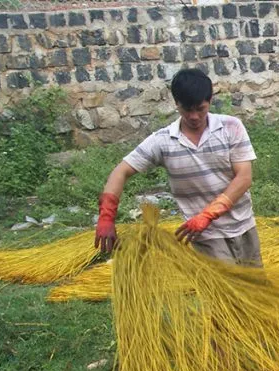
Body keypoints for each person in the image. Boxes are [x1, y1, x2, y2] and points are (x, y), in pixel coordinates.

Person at [94, 69, 261, 266]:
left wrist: (208, 214)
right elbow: (120, 172)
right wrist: (106, 216)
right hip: (205, 235)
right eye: (186, 109)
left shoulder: (231, 127)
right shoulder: (163, 141)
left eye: (200, 108)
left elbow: (243, 178)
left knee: (256, 288)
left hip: (243, 224)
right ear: (176, 104)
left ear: (210, 101)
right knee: (227, 292)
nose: (194, 116)